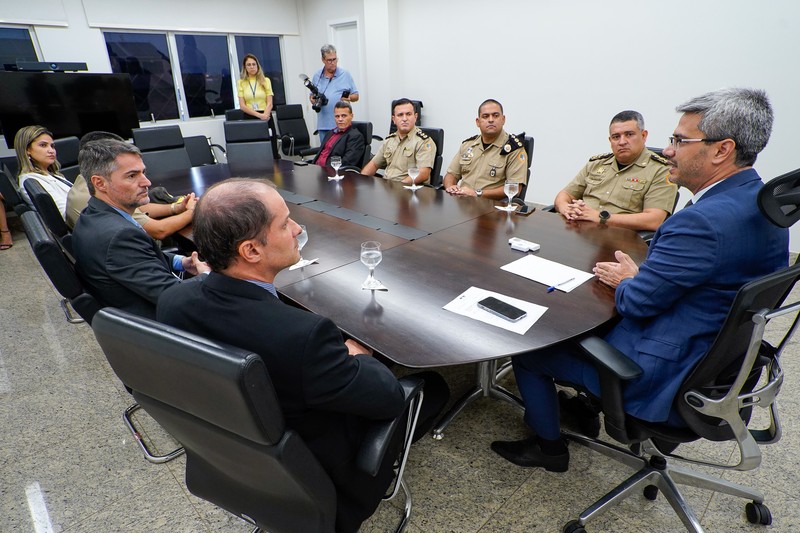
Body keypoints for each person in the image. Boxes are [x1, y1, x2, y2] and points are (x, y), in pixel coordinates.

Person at [491, 88, 789, 472]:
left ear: (721, 150)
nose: (669, 150)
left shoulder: (700, 222)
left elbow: (636, 304)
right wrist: (645, 275)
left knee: (530, 349)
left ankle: (549, 449)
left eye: (680, 140)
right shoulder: (766, 206)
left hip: (661, 374)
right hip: (718, 363)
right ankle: (580, 405)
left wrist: (631, 282)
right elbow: (706, 277)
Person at [157, 178, 449, 532]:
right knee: (433, 386)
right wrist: (355, 356)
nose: (297, 229)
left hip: (230, 463)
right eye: (284, 223)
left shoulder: (173, 301)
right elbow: (388, 400)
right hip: (321, 479)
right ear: (251, 251)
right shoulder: (302, 337)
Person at [72, 139, 209, 319]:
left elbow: (137, 259)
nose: (147, 182)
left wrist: (181, 262)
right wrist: (204, 276)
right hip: (165, 326)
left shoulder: (93, 214)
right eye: (132, 176)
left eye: (143, 173)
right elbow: (177, 299)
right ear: (99, 183)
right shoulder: (119, 237)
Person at [554, 110, 677, 232]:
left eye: (629, 134)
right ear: (610, 140)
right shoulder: (596, 164)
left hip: (619, 239)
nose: (622, 142)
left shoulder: (661, 170)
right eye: (616, 137)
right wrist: (566, 208)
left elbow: (654, 220)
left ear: (644, 135)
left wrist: (600, 217)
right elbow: (565, 194)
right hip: (578, 232)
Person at [65, 131, 197, 241]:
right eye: (132, 176)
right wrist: (193, 212)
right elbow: (159, 230)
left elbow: (139, 208)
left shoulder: (85, 183)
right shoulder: (89, 198)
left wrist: (175, 208)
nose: (147, 182)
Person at [443, 99, 527, 200]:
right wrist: (450, 187)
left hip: (492, 207)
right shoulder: (468, 145)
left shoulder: (513, 149)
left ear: (503, 119)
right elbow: (451, 174)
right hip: (462, 204)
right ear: (478, 122)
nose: (491, 120)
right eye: (485, 116)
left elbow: (515, 188)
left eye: (495, 115)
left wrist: (477, 193)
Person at [361, 98, 436, 185]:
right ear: (394, 119)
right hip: (388, 189)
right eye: (400, 115)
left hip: (408, 190)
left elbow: (423, 173)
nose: (404, 119)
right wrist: (361, 181)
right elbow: (374, 164)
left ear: (415, 117)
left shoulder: (423, 142)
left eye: (408, 114)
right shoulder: (389, 140)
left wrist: (398, 186)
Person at [15, 125, 71, 219]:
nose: (51, 151)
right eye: (43, 145)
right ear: (27, 150)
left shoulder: (52, 174)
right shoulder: (30, 181)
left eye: (52, 146)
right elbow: (65, 213)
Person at [311, 44, 359, 140]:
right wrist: (313, 100)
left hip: (342, 125)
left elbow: (356, 96)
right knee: (325, 153)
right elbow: (312, 95)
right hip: (324, 125)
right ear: (323, 60)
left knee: (340, 152)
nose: (333, 63)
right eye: (329, 60)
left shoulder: (345, 74)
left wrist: (349, 98)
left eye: (335, 59)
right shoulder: (317, 76)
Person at [312, 101, 366, 168]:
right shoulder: (330, 133)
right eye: (337, 116)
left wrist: (325, 170)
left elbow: (347, 162)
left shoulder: (355, 136)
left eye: (344, 116)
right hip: (315, 168)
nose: (340, 119)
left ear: (351, 116)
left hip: (331, 172)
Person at [237, 53, 273, 121]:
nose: (252, 67)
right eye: (249, 65)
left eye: (254, 64)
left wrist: (265, 115)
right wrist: (259, 116)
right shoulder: (241, 82)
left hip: (266, 115)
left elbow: (270, 103)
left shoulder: (266, 80)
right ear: (245, 67)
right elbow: (242, 106)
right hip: (250, 116)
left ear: (257, 66)